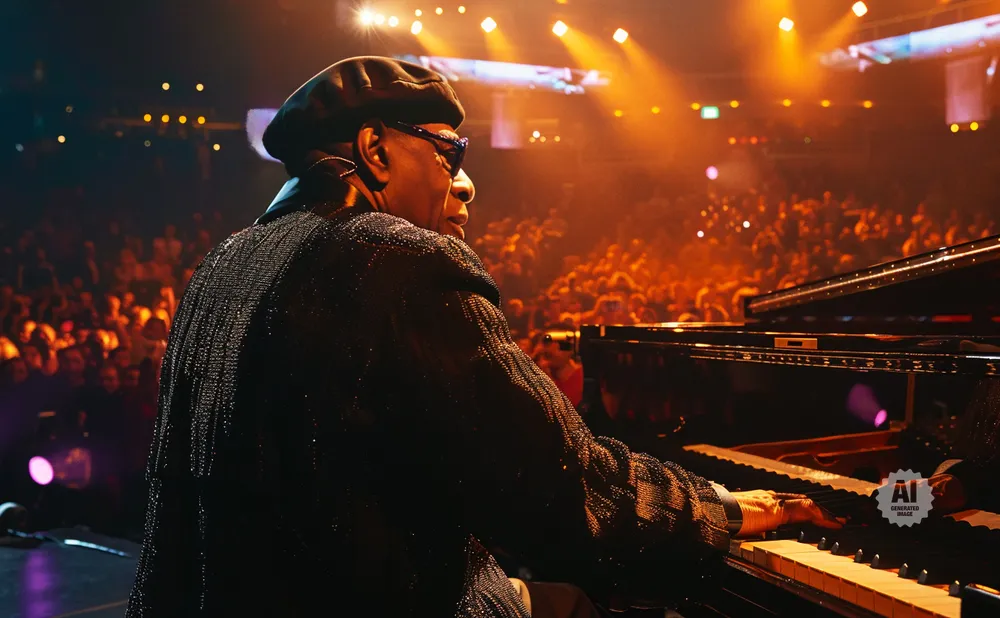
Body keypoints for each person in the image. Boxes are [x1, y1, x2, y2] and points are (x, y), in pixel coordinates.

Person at [125, 57, 840, 618]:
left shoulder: (222, 263)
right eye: (448, 153)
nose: (465, 185)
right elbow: (564, 493)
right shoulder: (400, 258)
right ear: (374, 149)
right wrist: (719, 506)